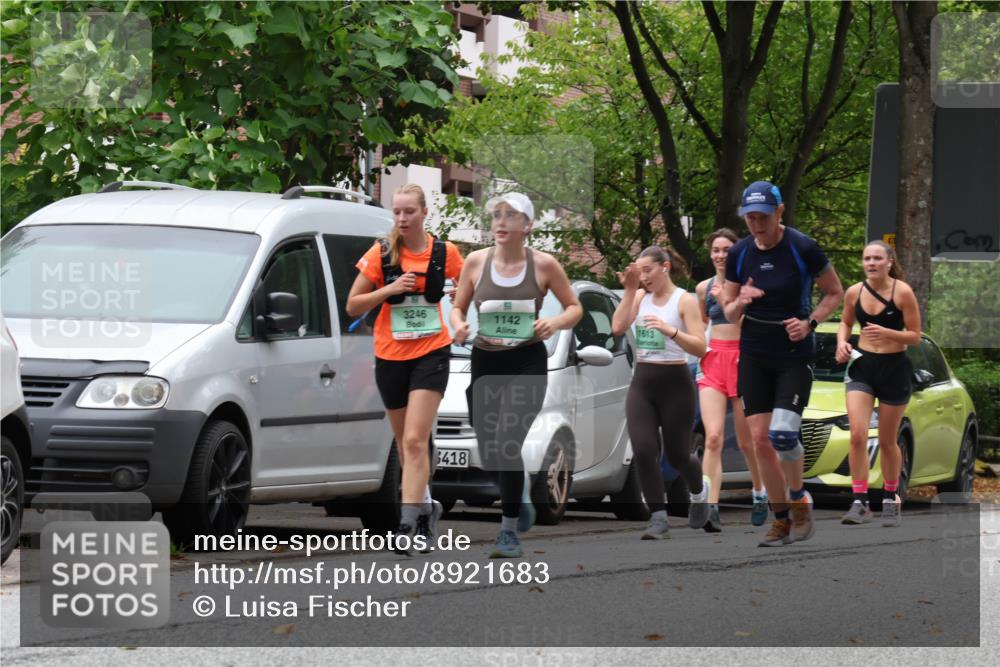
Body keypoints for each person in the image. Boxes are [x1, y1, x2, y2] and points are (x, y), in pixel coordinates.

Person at [450, 192, 581, 558]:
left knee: (507, 439)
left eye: (511, 216)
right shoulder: (475, 262)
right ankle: (518, 491)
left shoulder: (544, 265)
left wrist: (554, 321)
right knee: (490, 447)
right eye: (497, 215)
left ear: (528, 226)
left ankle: (508, 531)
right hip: (485, 360)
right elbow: (458, 308)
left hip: (526, 363)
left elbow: (575, 308)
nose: (502, 222)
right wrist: (459, 325)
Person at [720, 181, 844, 547]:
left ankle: (798, 496)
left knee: (783, 436)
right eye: (749, 218)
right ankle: (781, 520)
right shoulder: (740, 253)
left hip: (793, 355)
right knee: (760, 441)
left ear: (779, 212)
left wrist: (810, 323)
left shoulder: (802, 247)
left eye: (762, 216)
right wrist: (741, 299)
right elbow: (727, 312)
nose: (756, 224)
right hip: (755, 353)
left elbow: (833, 292)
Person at [347, 183, 464, 555]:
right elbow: (352, 305)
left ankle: (407, 523)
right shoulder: (381, 254)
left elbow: (469, 291)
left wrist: (459, 297)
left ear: (424, 213)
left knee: (415, 439)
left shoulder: (446, 253)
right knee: (404, 443)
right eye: (397, 212)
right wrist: (390, 288)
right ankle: (428, 508)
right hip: (390, 355)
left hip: (432, 352)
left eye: (409, 212)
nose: (402, 218)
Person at [612, 246, 709, 540]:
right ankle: (658, 518)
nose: (643, 277)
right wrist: (629, 290)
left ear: (664, 267)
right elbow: (618, 327)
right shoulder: (640, 297)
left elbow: (701, 347)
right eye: (639, 272)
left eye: (647, 271)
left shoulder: (684, 301)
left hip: (676, 383)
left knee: (678, 456)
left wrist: (670, 331)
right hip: (643, 382)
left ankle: (699, 490)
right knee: (643, 450)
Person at [835, 241, 921, 527]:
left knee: (886, 440)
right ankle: (859, 502)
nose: (871, 263)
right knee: (858, 434)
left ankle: (889, 496)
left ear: (888, 262)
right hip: (863, 367)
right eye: (866, 258)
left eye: (876, 259)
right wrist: (841, 343)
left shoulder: (902, 292)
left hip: (894, 369)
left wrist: (887, 332)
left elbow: (915, 336)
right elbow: (846, 323)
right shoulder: (854, 292)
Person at [695, 228, 766, 531]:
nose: (721, 255)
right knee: (712, 437)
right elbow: (700, 326)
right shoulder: (702, 288)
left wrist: (729, 299)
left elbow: (752, 322)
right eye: (716, 250)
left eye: (727, 250)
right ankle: (709, 505)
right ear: (710, 254)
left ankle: (760, 492)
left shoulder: (749, 284)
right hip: (713, 361)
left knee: (747, 442)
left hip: (744, 359)